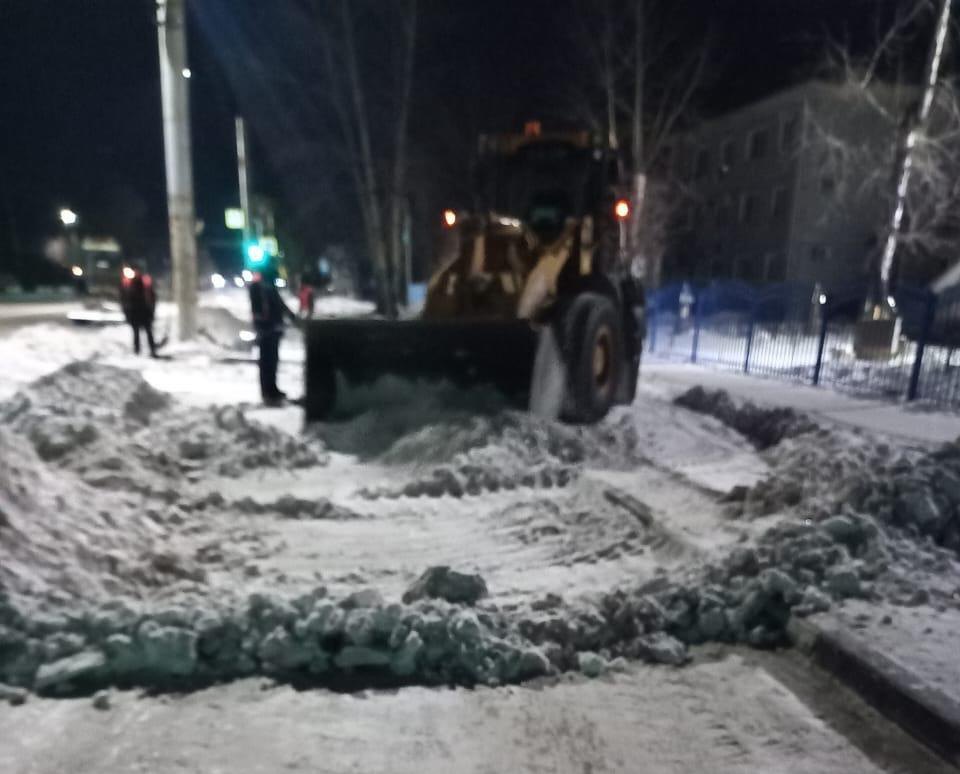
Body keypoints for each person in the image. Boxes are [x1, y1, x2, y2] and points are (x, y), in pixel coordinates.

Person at [249, 262, 298, 406]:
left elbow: (280, 305)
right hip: (267, 330)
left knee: (272, 360)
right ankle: (268, 392)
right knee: (267, 361)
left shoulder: (267, 287)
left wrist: (291, 317)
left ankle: (272, 389)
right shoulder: (258, 287)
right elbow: (263, 309)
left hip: (273, 329)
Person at [119, 262, 158, 357]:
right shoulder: (127, 283)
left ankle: (152, 349)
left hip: (145, 311)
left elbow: (152, 297)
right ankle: (137, 350)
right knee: (136, 332)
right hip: (134, 312)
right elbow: (123, 298)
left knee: (148, 331)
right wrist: (126, 312)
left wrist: (152, 310)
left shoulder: (144, 281)